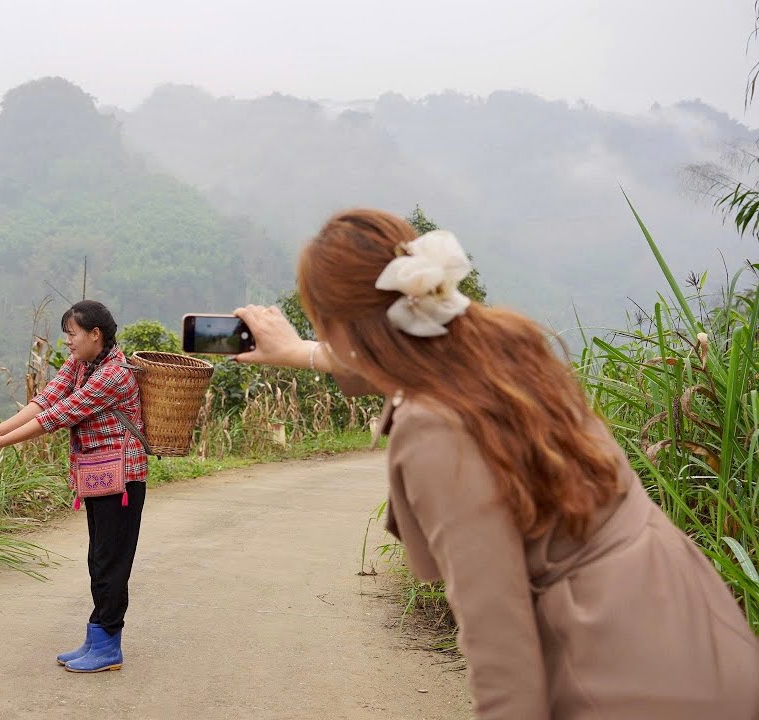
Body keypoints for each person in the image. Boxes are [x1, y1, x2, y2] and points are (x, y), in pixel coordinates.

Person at [234, 209, 759, 719]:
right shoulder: (503, 349)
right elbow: (395, 355)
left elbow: (501, 651)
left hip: (619, 669)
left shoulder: (432, 427)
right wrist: (300, 351)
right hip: (693, 630)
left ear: (344, 328)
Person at [0, 300, 147, 673]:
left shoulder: (114, 374)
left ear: (95, 334)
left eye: (72, 334)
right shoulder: (82, 363)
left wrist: (1, 442)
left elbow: (61, 413)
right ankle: (96, 637)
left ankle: (108, 645)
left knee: (111, 562)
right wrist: (0, 428)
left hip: (123, 479)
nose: (68, 341)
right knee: (98, 559)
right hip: (98, 475)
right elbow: (48, 398)